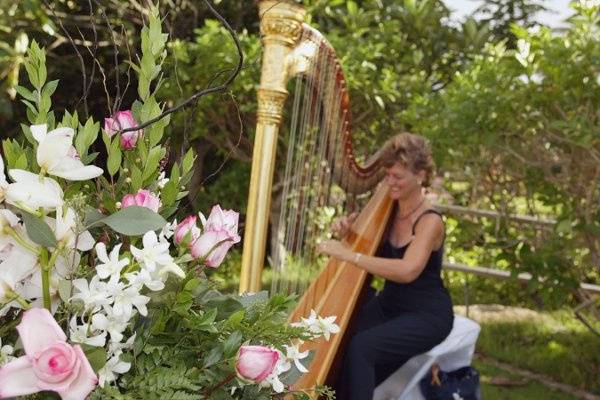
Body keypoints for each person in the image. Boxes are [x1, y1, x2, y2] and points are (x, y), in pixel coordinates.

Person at [318, 132, 454, 400]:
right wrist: (347, 231)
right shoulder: (388, 210)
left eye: (398, 177)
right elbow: (364, 243)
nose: (390, 182)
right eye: (388, 175)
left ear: (421, 176)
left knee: (362, 348)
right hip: (390, 305)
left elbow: (407, 270)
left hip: (426, 315)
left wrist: (349, 256)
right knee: (336, 337)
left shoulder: (429, 221)